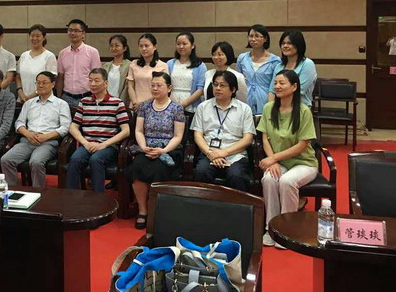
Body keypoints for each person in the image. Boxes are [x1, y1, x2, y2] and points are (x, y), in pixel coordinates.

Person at [259, 70, 318, 248]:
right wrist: (274, 161)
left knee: (287, 181)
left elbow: (302, 145)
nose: (277, 86)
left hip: (304, 163)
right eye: (275, 83)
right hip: (279, 162)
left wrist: (273, 158)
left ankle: (287, 231)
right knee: (269, 179)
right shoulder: (269, 108)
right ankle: (271, 229)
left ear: (294, 87)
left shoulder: (303, 111)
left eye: (282, 83)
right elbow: (265, 138)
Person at [128, 72, 185, 229]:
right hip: (146, 147)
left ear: (169, 88)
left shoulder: (176, 108)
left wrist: (163, 150)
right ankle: (142, 210)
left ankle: (157, 211)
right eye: (152, 85)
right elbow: (139, 130)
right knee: (137, 166)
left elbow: (178, 136)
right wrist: (143, 146)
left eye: (159, 85)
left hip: (169, 149)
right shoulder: (145, 106)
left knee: (159, 169)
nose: (155, 88)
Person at [0, 72, 71, 188]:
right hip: (27, 140)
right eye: (38, 83)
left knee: (36, 162)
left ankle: (38, 193)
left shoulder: (61, 104)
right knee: (6, 160)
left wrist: (46, 136)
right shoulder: (29, 103)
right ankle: (12, 191)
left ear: (53, 84)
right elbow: (19, 123)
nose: (41, 85)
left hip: (48, 142)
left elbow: (65, 127)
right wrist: (27, 134)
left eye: (44, 83)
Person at [66, 68, 130, 192]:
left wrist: (104, 144)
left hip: (108, 146)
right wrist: (85, 143)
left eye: (96, 80)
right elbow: (73, 127)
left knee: (96, 160)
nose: (93, 84)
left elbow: (126, 131)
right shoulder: (84, 102)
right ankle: (72, 196)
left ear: (106, 83)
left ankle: (98, 198)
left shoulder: (117, 103)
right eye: (90, 80)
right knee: (75, 159)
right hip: (88, 144)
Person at [192, 70, 255, 192]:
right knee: (201, 172)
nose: (218, 88)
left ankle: (236, 205)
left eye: (222, 85)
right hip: (209, 153)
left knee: (236, 175)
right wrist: (211, 153)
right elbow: (198, 136)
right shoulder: (203, 107)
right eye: (215, 84)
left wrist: (224, 152)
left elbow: (248, 139)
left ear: (233, 89)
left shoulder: (244, 109)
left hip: (235, 155)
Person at [236, 25, 281, 115]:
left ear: (265, 39)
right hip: (245, 101)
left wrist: (270, 106)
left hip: (266, 100)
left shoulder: (275, 61)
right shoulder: (242, 58)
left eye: (257, 36)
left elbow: (274, 86)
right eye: (251, 36)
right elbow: (238, 81)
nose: (253, 39)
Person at [56, 19, 101, 107]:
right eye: (70, 30)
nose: (73, 33)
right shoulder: (62, 53)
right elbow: (61, 77)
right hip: (66, 98)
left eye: (76, 31)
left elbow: (97, 77)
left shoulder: (92, 52)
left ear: (83, 33)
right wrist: (59, 98)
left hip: (87, 97)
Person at [268, 30, 317, 108]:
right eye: (283, 43)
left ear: (299, 45)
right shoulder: (279, 66)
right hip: (279, 109)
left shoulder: (307, 64)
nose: (285, 46)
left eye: (289, 43)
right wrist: (270, 108)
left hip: (300, 109)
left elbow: (299, 91)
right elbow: (272, 91)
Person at [15, 24, 58, 103]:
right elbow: (18, 76)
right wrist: (20, 93)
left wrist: (30, 97)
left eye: (38, 36)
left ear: (43, 37)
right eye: (32, 36)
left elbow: (50, 81)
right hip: (22, 100)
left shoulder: (49, 56)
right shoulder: (24, 55)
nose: (34, 38)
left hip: (41, 100)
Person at [127, 33, 168, 110]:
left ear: (155, 47)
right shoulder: (133, 64)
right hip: (135, 106)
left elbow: (162, 89)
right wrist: (135, 102)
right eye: (141, 46)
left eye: (146, 46)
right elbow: (130, 86)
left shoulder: (162, 66)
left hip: (154, 106)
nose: (143, 49)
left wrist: (143, 103)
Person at [167, 32, 206, 113]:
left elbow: (200, 89)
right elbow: (165, 85)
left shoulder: (200, 65)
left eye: (184, 44)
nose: (181, 47)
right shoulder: (170, 64)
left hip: (191, 107)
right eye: (178, 44)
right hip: (171, 105)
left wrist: (182, 105)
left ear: (192, 46)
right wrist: (173, 105)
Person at [101, 34, 131, 106]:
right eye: (111, 46)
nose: (113, 48)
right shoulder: (105, 66)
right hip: (106, 102)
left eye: (117, 46)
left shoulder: (130, 65)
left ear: (124, 48)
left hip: (122, 103)